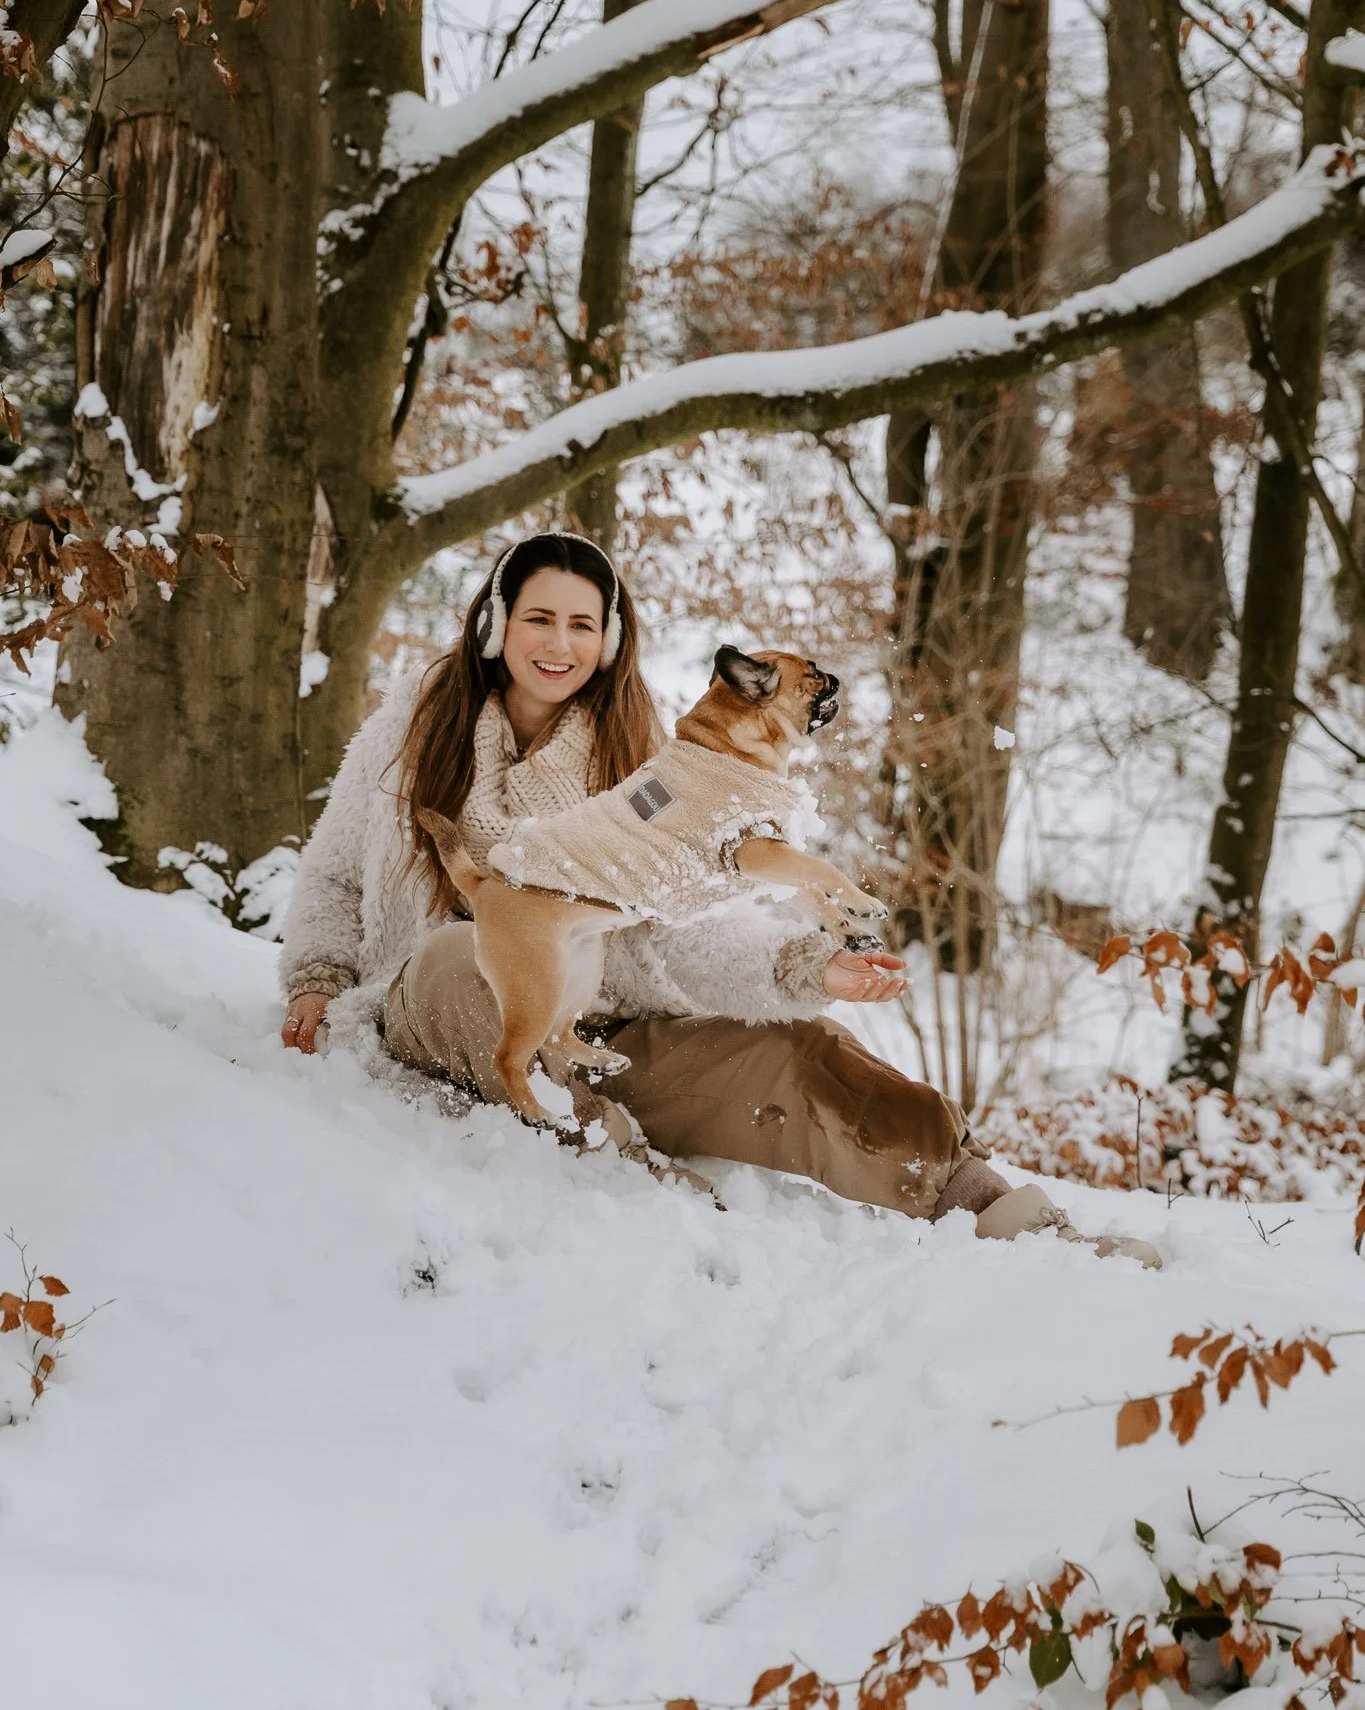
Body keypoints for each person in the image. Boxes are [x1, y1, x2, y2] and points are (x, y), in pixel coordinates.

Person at [279, 532, 1160, 1263]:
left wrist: (801, 964)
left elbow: (694, 918)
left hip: (604, 1028)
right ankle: (601, 1152)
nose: (558, 643)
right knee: (454, 953)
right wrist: (316, 974)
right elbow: (332, 872)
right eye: (538, 617)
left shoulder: (651, 764)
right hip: (435, 1012)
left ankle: (1005, 1218)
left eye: (581, 624)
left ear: (610, 639)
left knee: (801, 1051)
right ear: (496, 624)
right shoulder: (411, 727)